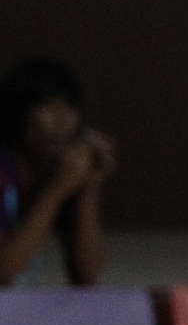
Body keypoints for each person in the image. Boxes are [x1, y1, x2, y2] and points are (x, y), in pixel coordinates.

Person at [0, 58, 113, 288]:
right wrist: (55, 191)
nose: (63, 121)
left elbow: (87, 275)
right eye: (49, 108)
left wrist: (89, 185)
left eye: (70, 108)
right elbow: (3, 273)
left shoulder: (55, 173)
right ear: (18, 115)